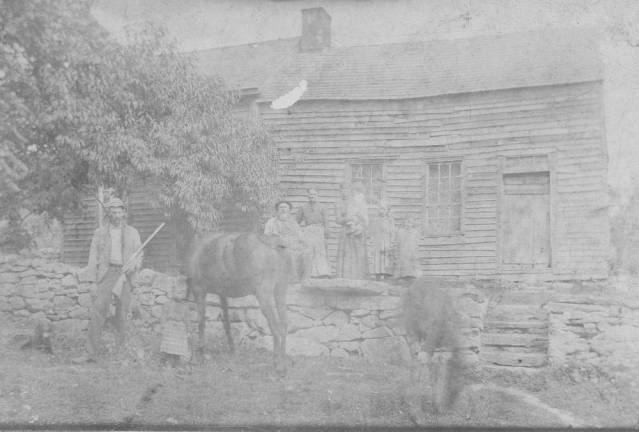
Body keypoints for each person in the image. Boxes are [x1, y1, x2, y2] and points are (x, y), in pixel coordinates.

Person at [73, 197, 142, 363]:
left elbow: (139, 254)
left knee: (122, 313)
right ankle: (90, 353)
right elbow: (93, 257)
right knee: (98, 311)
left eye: (119, 211)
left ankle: (120, 353)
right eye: (113, 211)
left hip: (125, 275)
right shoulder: (100, 233)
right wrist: (92, 282)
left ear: (124, 213)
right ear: (108, 213)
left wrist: (133, 266)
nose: (117, 215)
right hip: (106, 274)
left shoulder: (133, 232)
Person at [264, 200, 312, 283]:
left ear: (289, 210)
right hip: (277, 246)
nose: (283, 210)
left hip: (293, 245)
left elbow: (300, 236)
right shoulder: (271, 222)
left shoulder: (293, 223)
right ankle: (292, 278)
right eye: (281, 207)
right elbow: (266, 236)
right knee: (288, 253)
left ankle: (305, 279)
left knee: (307, 252)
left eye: (285, 207)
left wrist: (306, 244)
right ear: (277, 210)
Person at [336, 182, 369, 279]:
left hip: (357, 230)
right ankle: (344, 276)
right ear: (340, 191)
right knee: (345, 253)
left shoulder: (356, 201)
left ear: (350, 191)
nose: (345, 192)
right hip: (345, 231)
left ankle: (357, 276)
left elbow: (363, 216)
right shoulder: (338, 203)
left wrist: (359, 225)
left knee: (357, 253)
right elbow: (338, 220)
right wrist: (349, 219)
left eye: (347, 189)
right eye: (343, 190)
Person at [297, 188, 330, 278]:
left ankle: (322, 272)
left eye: (314, 194)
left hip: (319, 230)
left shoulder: (322, 207)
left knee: (320, 251)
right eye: (310, 194)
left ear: (317, 195)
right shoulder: (303, 207)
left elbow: (326, 221)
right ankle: (310, 273)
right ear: (307, 195)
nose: (312, 196)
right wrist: (298, 232)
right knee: (308, 251)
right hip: (308, 230)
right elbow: (297, 221)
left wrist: (327, 234)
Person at [160, 277, 191, 367]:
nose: (182, 295)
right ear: (173, 292)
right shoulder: (168, 304)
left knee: (179, 346)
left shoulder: (185, 306)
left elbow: (187, 318)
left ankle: (177, 360)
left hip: (180, 330)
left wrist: (188, 330)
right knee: (169, 345)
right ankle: (169, 360)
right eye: (179, 292)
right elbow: (164, 315)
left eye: (184, 293)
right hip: (170, 328)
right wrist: (162, 325)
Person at [369, 200, 395, 280]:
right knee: (376, 256)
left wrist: (392, 241)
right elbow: (371, 231)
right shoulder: (375, 220)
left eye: (384, 209)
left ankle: (384, 273)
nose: (382, 211)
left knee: (385, 257)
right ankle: (376, 272)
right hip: (377, 240)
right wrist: (371, 239)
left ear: (387, 210)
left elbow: (392, 232)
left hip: (386, 240)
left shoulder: (389, 220)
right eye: (380, 209)